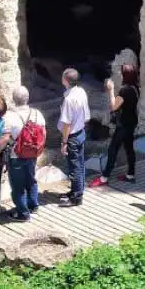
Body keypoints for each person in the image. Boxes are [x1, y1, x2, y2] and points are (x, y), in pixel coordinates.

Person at [0, 85, 47, 222]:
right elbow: (43, 133)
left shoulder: (10, 117)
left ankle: (22, 213)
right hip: (32, 153)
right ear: (28, 98)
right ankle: (33, 205)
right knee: (31, 179)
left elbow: (5, 138)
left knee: (18, 185)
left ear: (13, 100)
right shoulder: (37, 113)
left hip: (16, 155)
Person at [90, 63, 139, 187]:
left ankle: (104, 178)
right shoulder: (135, 87)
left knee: (113, 149)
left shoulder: (125, 90)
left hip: (123, 125)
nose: (119, 73)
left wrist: (111, 90)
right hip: (132, 122)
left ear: (125, 75)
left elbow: (113, 107)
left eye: (121, 72)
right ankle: (130, 175)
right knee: (129, 148)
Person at [58, 68, 90, 206]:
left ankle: (76, 198)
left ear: (65, 80)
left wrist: (64, 142)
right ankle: (77, 190)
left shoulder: (69, 99)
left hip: (72, 136)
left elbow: (67, 124)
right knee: (80, 164)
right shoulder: (81, 91)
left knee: (74, 167)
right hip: (81, 132)